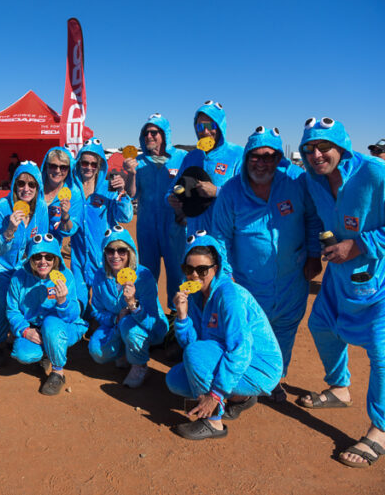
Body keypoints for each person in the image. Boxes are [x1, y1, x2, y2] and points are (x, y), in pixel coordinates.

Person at [296, 117, 385, 468]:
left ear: (342, 147)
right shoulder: (312, 180)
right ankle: (339, 388)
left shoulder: (374, 173)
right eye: (309, 149)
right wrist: (316, 253)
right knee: (320, 326)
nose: (316, 154)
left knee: (380, 352)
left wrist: (358, 245)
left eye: (324, 147)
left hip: (378, 279)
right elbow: (316, 218)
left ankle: (380, 429)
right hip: (338, 277)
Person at [210, 126, 322, 402]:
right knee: (247, 331)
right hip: (248, 281)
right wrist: (226, 276)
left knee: (285, 329)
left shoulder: (295, 181)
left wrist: (313, 255)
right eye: (255, 156)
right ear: (247, 157)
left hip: (291, 278)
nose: (262, 163)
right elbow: (220, 237)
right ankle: (245, 380)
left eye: (269, 156)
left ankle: (275, 378)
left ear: (278, 159)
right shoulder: (231, 191)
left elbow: (311, 219)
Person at [165, 232, 282, 440]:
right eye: (189, 269)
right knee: (175, 380)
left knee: (195, 355)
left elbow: (240, 348)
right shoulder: (196, 298)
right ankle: (240, 397)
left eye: (202, 270)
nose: (194, 276)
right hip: (231, 356)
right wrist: (182, 317)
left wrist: (215, 394)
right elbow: (192, 346)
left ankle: (213, 422)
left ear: (216, 268)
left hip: (259, 365)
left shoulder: (229, 296)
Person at [0, 162, 49, 367]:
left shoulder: (41, 209)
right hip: (1, 265)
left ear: (38, 187)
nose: (26, 188)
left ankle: (29, 336)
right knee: (3, 300)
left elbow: (41, 243)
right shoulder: (2, 208)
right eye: (21, 183)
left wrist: (35, 269)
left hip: (26, 266)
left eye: (32, 184)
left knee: (35, 295)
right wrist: (10, 231)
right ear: (14, 185)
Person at [6, 233, 87, 395]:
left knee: (51, 324)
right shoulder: (19, 278)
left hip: (62, 327)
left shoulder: (66, 277)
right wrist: (25, 331)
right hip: (34, 328)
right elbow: (12, 310)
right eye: (37, 257)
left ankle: (58, 372)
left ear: (55, 258)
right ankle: (46, 353)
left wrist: (63, 302)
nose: (43, 262)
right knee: (24, 354)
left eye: (48, 257)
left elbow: (72, 316)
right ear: (31, 258)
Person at [88, 226, 168, 387]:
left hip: (146, 328)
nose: (115, 256)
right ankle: (125, 351)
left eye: (121, 250)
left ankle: (140, 366)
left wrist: (132, 304)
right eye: (110, 251)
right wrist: (115, 318)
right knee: (97, 351)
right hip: (116, 325)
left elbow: (152, 321)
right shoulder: (100, 276)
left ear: (130, 252)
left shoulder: (143, 276)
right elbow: (97, 310)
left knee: (128, 325)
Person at [124, 113, 187, 314]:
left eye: (154, 132)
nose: (149, 136)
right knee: (147, 273)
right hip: (147, 228)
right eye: (146, 133)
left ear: (164, 134)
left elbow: (191, 186)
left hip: (174, 227)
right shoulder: (138, 162)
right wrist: (131, 174)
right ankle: (149, 316)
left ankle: (176, 316)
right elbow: (131, 194)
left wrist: (185, 212)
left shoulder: (180, 158)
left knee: (177, 273)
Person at [71, 138, 134, 312]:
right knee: (79, 306)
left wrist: (122, 193)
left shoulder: (108, 188)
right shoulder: (72, 190)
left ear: (99, 165)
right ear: (79, 163)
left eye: (93, 164)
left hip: (104, 258)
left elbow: (125, 217)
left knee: (108, 306)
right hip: (78, 259)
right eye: (85, 163)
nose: (89, 167)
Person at [167, 100, 243, 234]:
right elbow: (174, 187)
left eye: (210, 125)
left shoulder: (237, 155)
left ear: (220, 126)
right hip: (194, 234)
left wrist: (217, 191)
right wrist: (170, 198)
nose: (205, 131)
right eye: (200, 127)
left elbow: (247, 195)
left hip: (224, 236)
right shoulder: (191, 157)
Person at [40, 146, 83, 243]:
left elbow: (69, 230)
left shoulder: (74, 193)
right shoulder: (34, 186)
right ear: (46, 166)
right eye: (53, 166)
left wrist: (65, 217)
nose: (57, 171)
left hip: (52, 247)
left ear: (69, 169)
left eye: (63, 167)